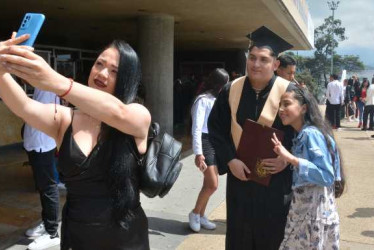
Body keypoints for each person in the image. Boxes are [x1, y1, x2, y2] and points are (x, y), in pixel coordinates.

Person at [0, 35, 151, 249]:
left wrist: (55, 81)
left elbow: (118, 112)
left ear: (127, 79)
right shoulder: (65, 118)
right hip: (77, 234)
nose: (102, 73)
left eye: (114, 71)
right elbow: (24, 106)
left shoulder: (137, 115)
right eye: (99, 64)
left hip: (126, 237)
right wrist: (1, 70)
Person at [208, 26, 295, 250]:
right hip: (241, 178)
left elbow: (308, 134)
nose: (256, 64)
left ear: (276, 64)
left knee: (272, 237)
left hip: (275, 181)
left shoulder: (291, 93)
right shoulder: (231, 90)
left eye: (264, 59)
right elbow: (216, 128)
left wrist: (287, 159)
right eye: (252, 57)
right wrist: (229, 159)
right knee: (239, 236)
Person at [271, 85, 344, 249]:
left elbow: (326, 176)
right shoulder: (308, 133)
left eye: (287, 104)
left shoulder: (310, 134)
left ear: (303, 108)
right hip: (310, 213)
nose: (281, 109)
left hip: (312, 214)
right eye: (280, 104)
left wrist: (291, 159)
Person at [189, 68, 229, 232]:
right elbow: (196, 128)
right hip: (205, 141)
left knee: (209, 183)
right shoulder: (202, 100)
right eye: (224, 84)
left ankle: (202, 215)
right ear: (218, 84)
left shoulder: (218, 100)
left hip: (215, 141)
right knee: (212, 184)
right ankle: (195, 213)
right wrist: (198, 153)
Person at [23, 87, 60, 248]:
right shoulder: (40, 87)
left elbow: (40, 116)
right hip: (37, 143)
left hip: (41, 144)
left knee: (48, 188)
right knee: (43, 187)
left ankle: (52, 232)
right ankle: (46, 223)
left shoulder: (45, 88)